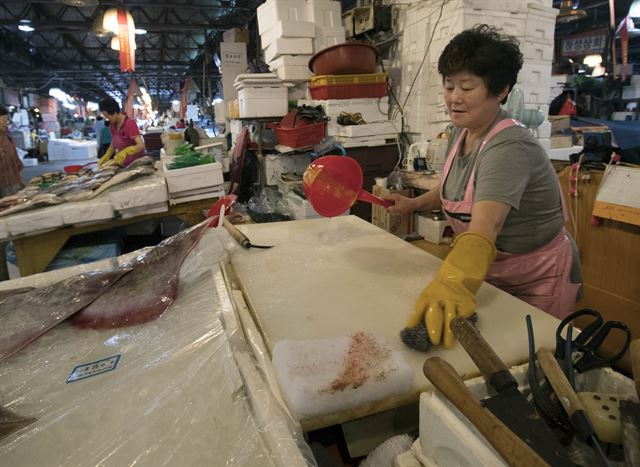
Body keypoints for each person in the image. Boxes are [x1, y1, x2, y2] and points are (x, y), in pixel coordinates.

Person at [386, 25, 582, 349]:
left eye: (467, 87)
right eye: (449, 86)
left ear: (501, 90)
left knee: (536, 360)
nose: (454, 98)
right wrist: (411, 205)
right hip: (493, 270)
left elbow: (486, 224)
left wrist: (452, 282)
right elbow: (454, 191)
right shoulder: (460, 132)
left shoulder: (508, 147)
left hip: (538, 277)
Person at [0, 105, 25, 281]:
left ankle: (18, 272)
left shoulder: (8, 138)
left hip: (14, 190)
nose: (6, 123)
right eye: (3, 119)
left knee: (16, 233)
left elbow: (17, 165)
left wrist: (22, 186)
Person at [98, 97, 145, 168]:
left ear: (114, 111)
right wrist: (108, 154)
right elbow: (114, 142)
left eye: (106, 115)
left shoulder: (130, 123)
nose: (106, 118)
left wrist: (126, 151)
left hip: (136, 164)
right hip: (123, 164)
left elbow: (141, 145)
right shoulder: (112, 125)